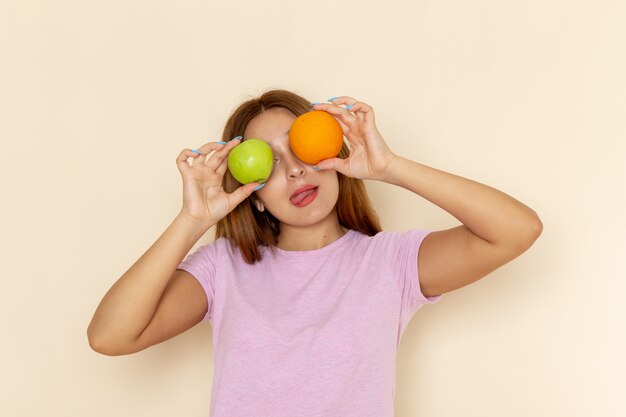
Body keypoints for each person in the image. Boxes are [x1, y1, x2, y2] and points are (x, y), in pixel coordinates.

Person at [87, 89, 542, 417]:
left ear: (332, 156)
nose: (297, 171)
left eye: (301, 147)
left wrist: (390, 167)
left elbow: (517, 230)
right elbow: (110, 336)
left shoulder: (389, 263)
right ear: (254, 195)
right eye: (269, 161)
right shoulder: (223, 269)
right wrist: (192, 220)